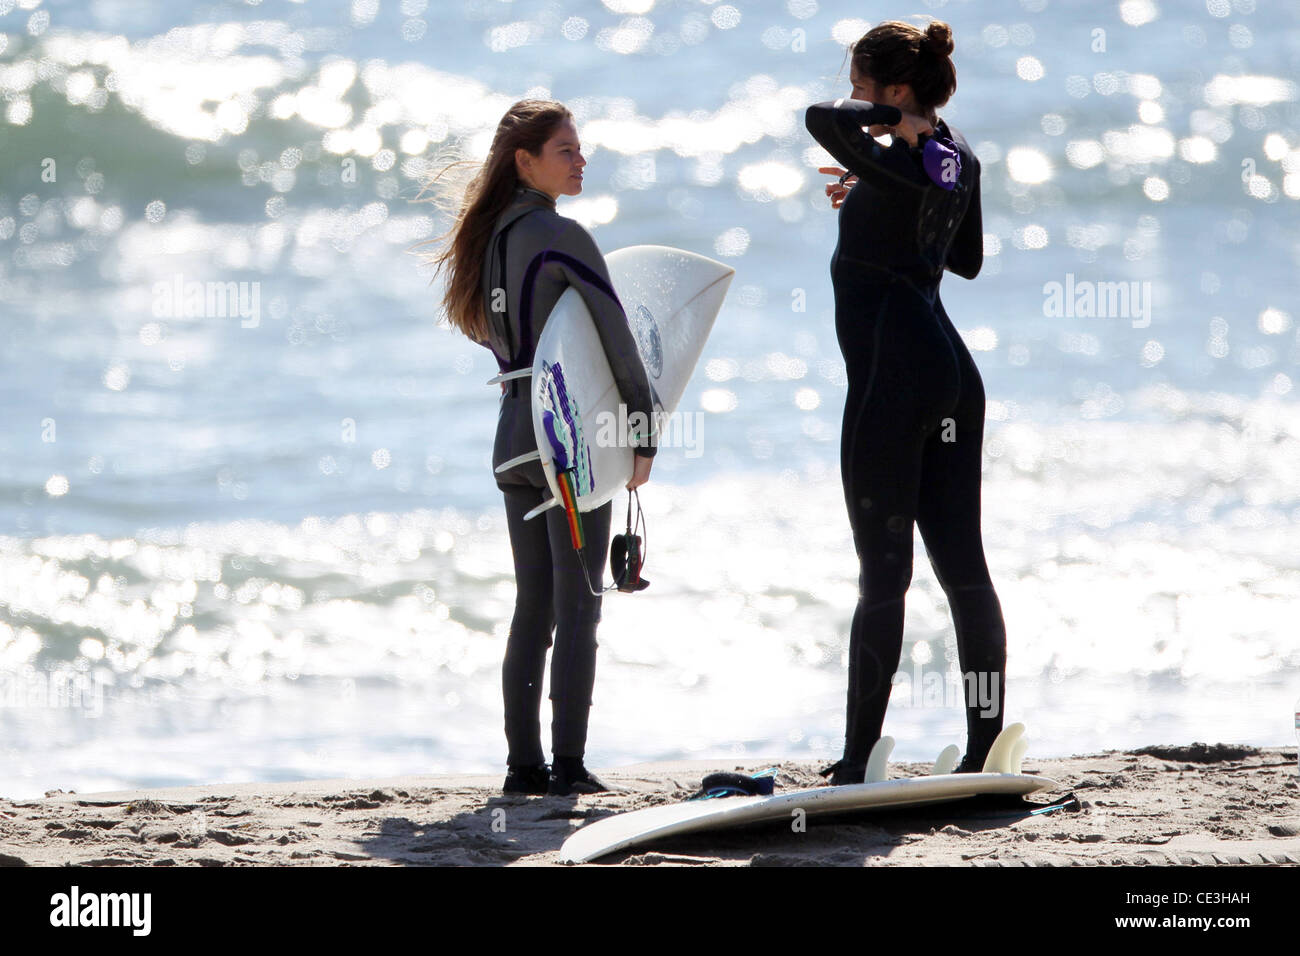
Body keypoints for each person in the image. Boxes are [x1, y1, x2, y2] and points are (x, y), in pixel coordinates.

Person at [422, 100, 657, 796]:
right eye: (565, 149)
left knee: (534, 604)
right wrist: (641, 432)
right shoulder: (562, 235)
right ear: (524, 162)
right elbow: (617, 340)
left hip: (513, 438)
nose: (580, 159)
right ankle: (571, 767)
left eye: (580, 148)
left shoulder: (487, 242)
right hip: (569, 444)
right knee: (580, 601)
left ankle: (523, 767)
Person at [803, 20, 1007, 783]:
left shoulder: (894, 141)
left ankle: (857, 759)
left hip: (895, 373)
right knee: (964, 570)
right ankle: (986, 750)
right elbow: (968, 260)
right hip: (952, 370)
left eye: (862, 82)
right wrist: (885, 182)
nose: (851, 96)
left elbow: (819, 120)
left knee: (882, 575)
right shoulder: (958, 157)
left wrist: (890, 142)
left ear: (894, 90)